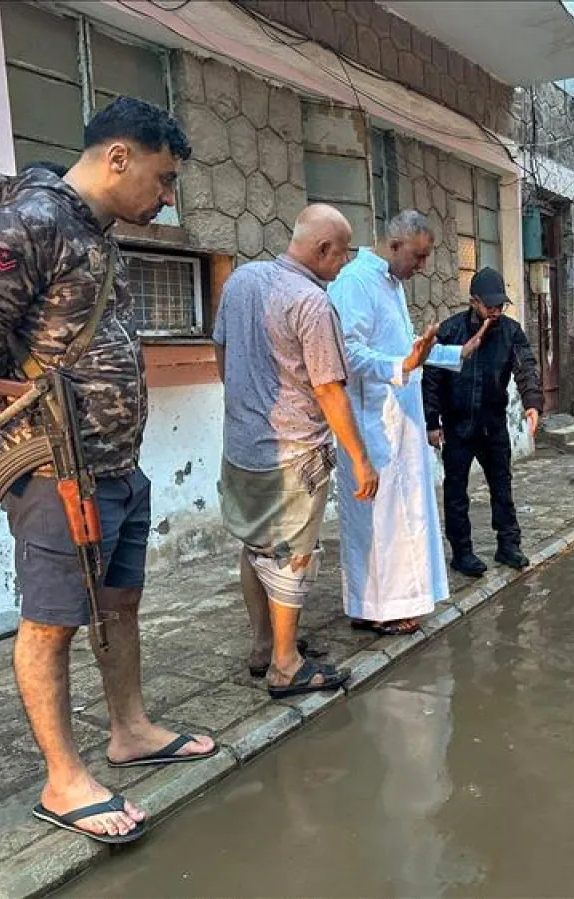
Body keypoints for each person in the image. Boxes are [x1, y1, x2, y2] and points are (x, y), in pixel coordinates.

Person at [0, 97, 214, 844]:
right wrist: (14, 403)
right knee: (52, 620)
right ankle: (63, 779)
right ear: (118, 157)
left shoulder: (94, 230)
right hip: (55, 468)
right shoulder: (29, 221)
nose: (167, 198)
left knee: (120, 601)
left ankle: (130, 729)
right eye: (163, 178)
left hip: (115, 463)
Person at [213, 204, 379, 697]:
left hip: (241, 445)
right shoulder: (312, 303)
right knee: (292, 555)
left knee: (255, 545)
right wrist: (360, 458)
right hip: (294, 453)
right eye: (342, 253)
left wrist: (244, 403)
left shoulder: (241, 281)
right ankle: (285, 665)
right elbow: (329, 390)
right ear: (323, 249)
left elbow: (221, 349)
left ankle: (264, 645)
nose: (345, 263)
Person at [328, 210, 488, 635]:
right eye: (418, 256)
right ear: (394, 244)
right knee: (378, 520)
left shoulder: (392, 285)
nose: (422, 266)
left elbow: (408, 352)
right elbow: (348, 352)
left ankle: (380, 604)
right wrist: (400, 366)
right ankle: (378, 608)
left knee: (400, 518)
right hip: (372, 423)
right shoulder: (356, 282)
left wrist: (455, 353)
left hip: (401, 421)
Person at [422, 267, 544, 577]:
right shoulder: (450, 331)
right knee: (456, 491)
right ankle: (462, 552)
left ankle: (508, 545)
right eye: (489, 305)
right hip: (457, 425)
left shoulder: (511, 332)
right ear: (474, 301)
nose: (495, 311)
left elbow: (526, 368)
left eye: (499, 305)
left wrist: (532, 404)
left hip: (493, 424)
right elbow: (432, 377)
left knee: (502, 486)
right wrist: (432, 421)